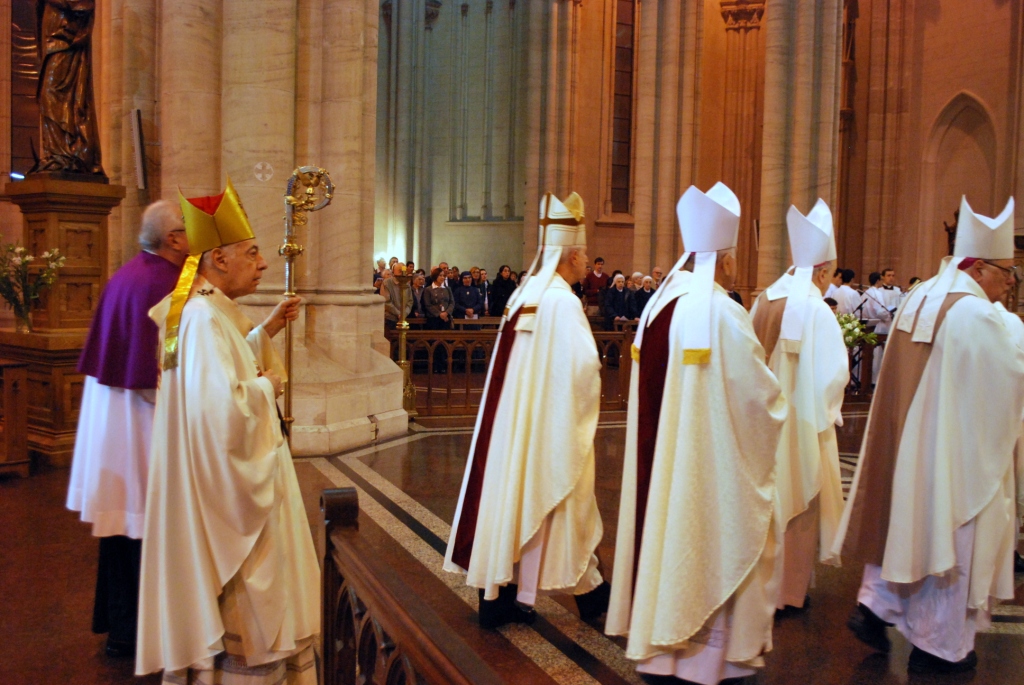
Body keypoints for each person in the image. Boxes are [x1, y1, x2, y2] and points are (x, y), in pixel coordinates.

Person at [832, 195, 1024, 675]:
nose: (1011, 282)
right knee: (951, 531)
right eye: (1007, 272)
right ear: (979, 267)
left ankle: (876, 604)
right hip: (953, 451)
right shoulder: (976, 314)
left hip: (907, 443)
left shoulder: (923, 293)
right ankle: (940, 645)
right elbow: (1003, 383)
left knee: (906, 520)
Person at [137, 179, 319, 683]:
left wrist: (264, 333)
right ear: (218, 259)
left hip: (231, 476)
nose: (263, 264)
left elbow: (222, 374)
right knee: (252, 594)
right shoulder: (200, 318)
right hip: (232, 493)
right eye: (252, 253)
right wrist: (270, 386)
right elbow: (221, 415)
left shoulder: (205, 310)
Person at [607, 182, 787, 685]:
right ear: (725, 259)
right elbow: (758, 399)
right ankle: (709, 660)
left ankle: (661, 653)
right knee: (712, 537)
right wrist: (780, 399)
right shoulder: (722, 311)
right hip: (708, 462)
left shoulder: (660, 304)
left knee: (668, 532)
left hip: (666, 458)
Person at [444, 192, 610, 629]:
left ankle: (501, 594)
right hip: (545, 424)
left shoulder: (526, 293)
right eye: (584, 254)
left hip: (513, 424)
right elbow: (583, 368)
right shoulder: (562, 301)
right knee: (564, 501)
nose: (586, 261)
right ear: (572, 257)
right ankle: (590, 594)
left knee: (515, 501)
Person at [66, 200, 189, 659]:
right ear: (172, 238)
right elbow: (160, 375)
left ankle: (120, 627)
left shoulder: (128, 273)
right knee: (143, 525)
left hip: (114, 417)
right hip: (141, 417)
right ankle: (142, 630)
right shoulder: (167, 284)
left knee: (121, 529)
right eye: (187, 227)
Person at [750, 200, 849, 613]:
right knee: (800, 499)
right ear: (822, 272)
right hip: (803, 424)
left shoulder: (764, 298)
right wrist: (828, 414)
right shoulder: (816, 310)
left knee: (766, 500)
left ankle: (759, 587)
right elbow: (833, 377)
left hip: (760, 422)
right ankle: (789, 593)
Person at [861, 272, 896, 385]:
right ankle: (875, 380)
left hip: (868, 325)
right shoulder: (876, 293)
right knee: (877, 355)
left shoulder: (866, 293)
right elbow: (880, 311)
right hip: (878, 326)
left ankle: (868, 380)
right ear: (878, 281)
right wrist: (889, 315)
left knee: (871, 355)